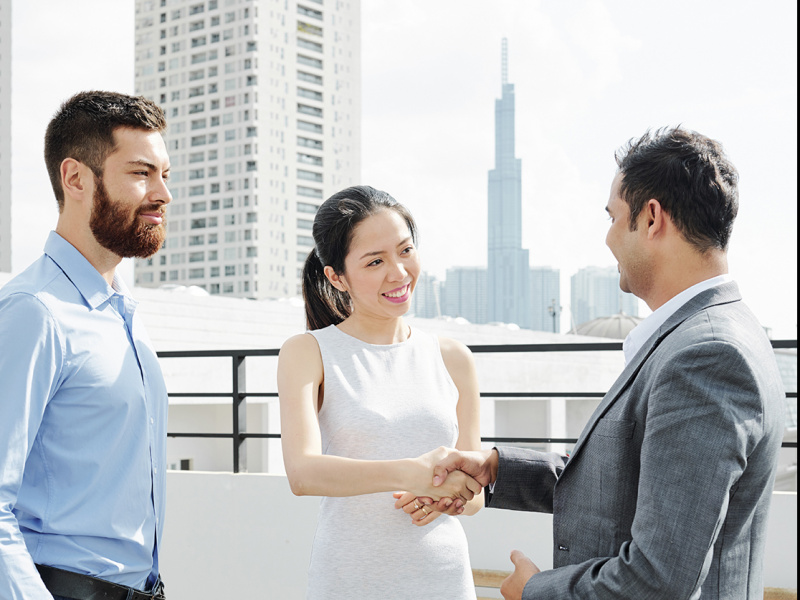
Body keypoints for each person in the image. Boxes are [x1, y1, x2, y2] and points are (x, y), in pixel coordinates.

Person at [431, 127, 786, 600]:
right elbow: (629, 477)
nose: (607, 237)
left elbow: (658, 580)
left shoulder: (706, 356)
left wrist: (534, 591)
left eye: (614, 217)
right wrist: (497, 468)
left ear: (652, 217)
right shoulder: (716, 333)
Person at [0, 91, 172, 600]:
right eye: (142, 173)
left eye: (165, 174)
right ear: (76, 178)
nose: (163, 193)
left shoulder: (123, 316)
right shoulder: (34, 311)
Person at [278, 185, 484, 599]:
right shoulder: (308, 352)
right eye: (375, 261)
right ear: (337, 276)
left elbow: (475, 489)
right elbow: (303, 473)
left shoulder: (453, 357)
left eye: (405, 251)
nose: (398, 272)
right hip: (351, 579)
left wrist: (441, 497)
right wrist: (414, 473)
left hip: (443, 576)